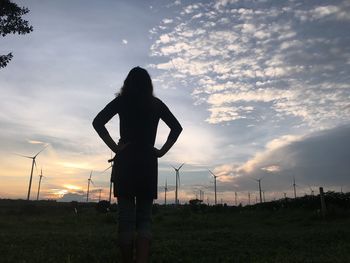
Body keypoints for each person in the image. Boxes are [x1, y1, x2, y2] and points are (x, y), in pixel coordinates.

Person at [92, 66, 182, 263]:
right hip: (148, 163)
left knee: (125, 219)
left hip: (126, 161)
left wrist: (116, 149)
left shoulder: (121, 102)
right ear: (149, 85)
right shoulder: (156, 104)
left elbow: (98, 122)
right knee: (144, 220)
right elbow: (176, 128)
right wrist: (161, 151)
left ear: (127, 83)